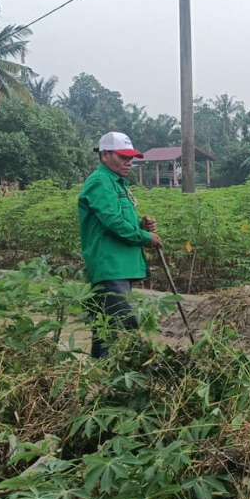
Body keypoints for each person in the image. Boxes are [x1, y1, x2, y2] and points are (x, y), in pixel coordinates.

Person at [78, 132, 162, 358]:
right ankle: (124, 380)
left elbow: (122, 220)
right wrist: (146, 238)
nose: (129, 162)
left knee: (107, 332)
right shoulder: (100, 182)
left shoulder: (118, 184)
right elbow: (113, 222)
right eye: (123, 157)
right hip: (110, 267)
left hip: (121, 267)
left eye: (131, 158)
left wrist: (142, 226)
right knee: (125, 327)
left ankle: (100, 382)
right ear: (105, 155)